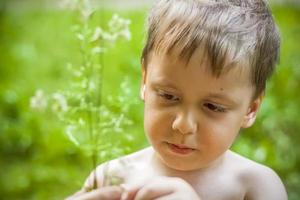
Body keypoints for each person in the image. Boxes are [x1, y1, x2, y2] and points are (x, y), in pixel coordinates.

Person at [67, 0, 288, 199]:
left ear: (250, 109)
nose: (182, 125)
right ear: (145, 81)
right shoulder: (112, 178)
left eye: (213, 106)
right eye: (168, 96)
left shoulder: (255, 187)